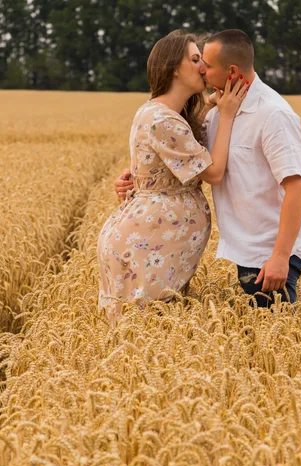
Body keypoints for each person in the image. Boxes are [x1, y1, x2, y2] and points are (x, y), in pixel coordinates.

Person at [116, 30, 301, 308]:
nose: (202, 70)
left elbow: (298, 187)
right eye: (197, 61)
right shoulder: (218, 115)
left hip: (270, 253)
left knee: (276, 335)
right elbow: (178, 150)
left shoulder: (273, 115)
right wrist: (139, 180)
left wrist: (281, 256)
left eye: (206, 65)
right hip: (248, 252)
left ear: (231, 71)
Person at [97, 30, 248, 325]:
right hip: (146, 244)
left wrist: (212, 104)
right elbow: (214, 172)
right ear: (173, 68)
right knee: (141, 335)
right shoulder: (164, 120)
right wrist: (227, 114)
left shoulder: (160, 112)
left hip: (149, 241)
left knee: (143, 334)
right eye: (195, 59)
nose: (203, 67)